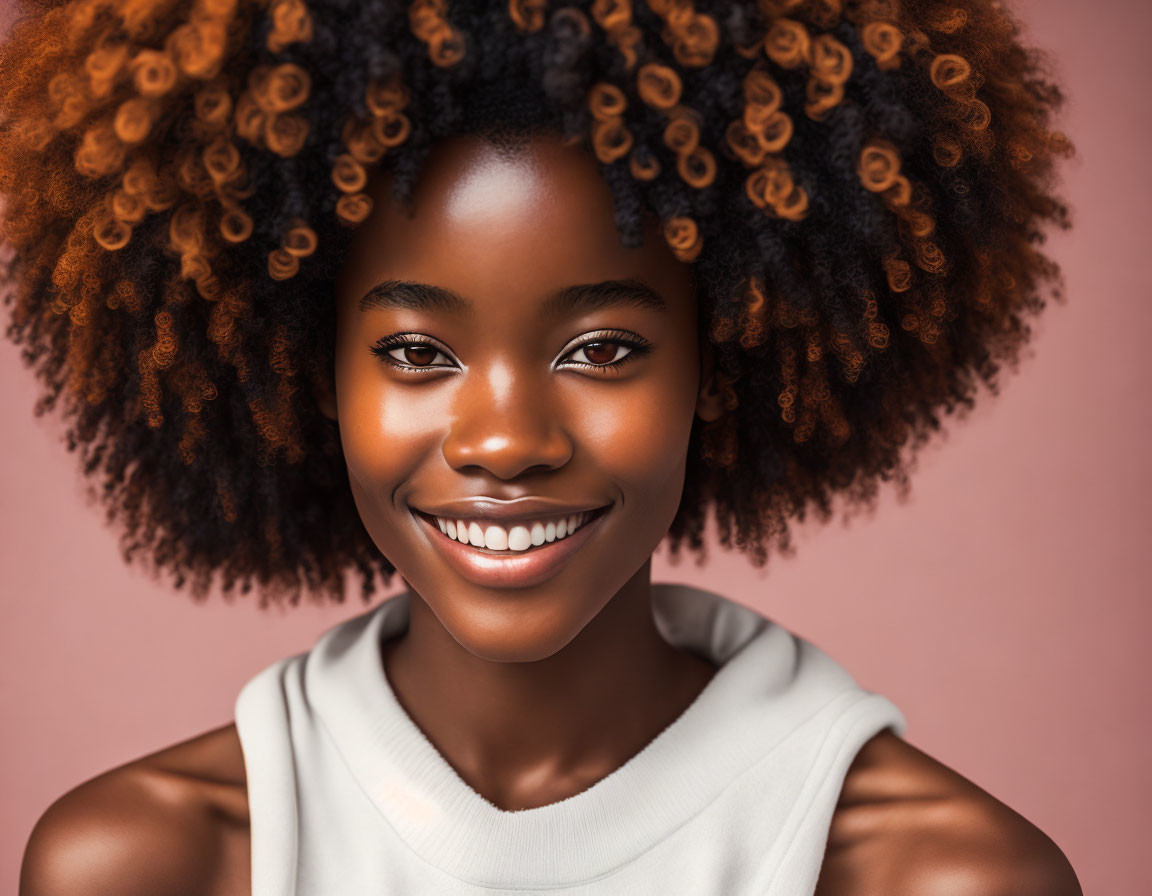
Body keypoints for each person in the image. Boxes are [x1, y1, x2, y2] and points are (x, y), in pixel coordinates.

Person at [3, 0, 1081, 893]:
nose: (506, 440)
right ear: (305, 372)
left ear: (726, 356)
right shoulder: (146, 864)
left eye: (603, 347)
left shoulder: (935, 874)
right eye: (419, 351)